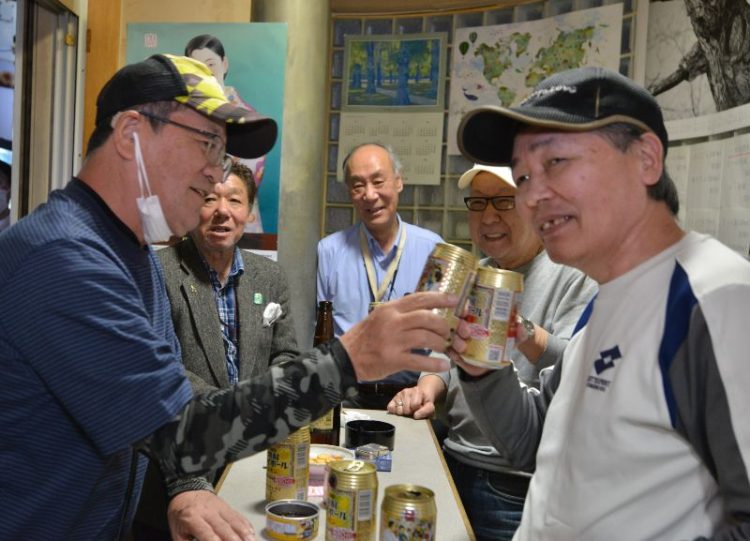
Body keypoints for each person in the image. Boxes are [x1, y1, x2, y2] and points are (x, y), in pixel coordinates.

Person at [0, 53, 456, 541]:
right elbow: (186, 432)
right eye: (207, 145)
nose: (216, 177)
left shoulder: (128, 250)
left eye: (221, 154)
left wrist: (185, 485)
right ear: (131, 133)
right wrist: (348, 360)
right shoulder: (64, 259)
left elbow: (165, 404)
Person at [451, 66, 750, 539]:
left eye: (556, 163)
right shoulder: (606, 302)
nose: (532, 196)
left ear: (646, 159)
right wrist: (479, 366)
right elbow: (532, 443)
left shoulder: (714, 301)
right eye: (524, 175)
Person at [388, 164, 596, 540]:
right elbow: (447, 358)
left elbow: (578, 369)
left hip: (512, 483)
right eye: (478, 202)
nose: (488, 216)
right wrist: (427, 388)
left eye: (503, 201)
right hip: (452, 458)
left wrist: (520, 329)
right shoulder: (477, 271)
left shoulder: (574, 274)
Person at [133, 161, 299, 539]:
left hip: (251, 465)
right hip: (177, 477)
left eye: (235, 200)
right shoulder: (158, 272)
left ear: (249, 212)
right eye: (210, 198)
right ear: (193, 205)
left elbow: (287, 356)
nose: (223, 211)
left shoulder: (269, 277)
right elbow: (161, 370)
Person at [316, 142, 444, 409]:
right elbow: (322, 335)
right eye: (358, 185)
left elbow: (443, 337)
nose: (369, 194)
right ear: (350, 192)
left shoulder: (433, 249)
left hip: (410, 395)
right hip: (346, 395)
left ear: (398, 182)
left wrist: (424, 391)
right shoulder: (329, 250)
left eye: (378, 181)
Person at [185, 33, 265, 233]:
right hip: (190, 217)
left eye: (211, 64)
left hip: (235, 219)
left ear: (224, 64)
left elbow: (249, 175)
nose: (206, 73)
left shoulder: (245, 115)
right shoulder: (181, 115)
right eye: (198, 67)